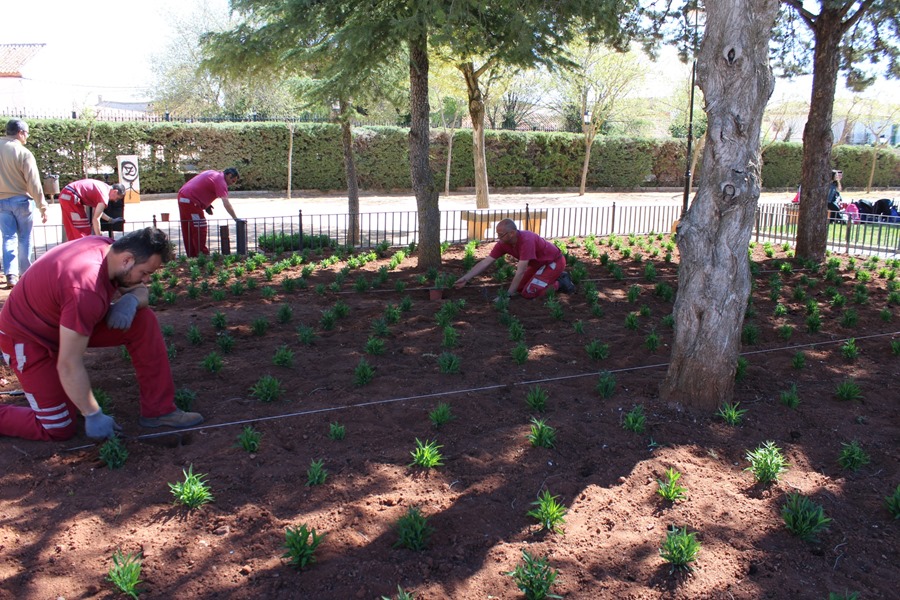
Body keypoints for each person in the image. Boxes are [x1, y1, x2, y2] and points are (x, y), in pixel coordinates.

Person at [0, 227, 203, 442]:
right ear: (127, 260)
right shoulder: (85, 289)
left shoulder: (109, 250)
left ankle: (160, 410)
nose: (144, 281)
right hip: (28, 337)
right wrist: (92, 413)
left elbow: (141, 293)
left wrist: (132, 300)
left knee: (143, 321)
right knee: (58, 427)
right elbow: (69, 363)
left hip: (62, 321)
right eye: (144, 273)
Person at [454, 218, 575, 299]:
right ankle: (548, 279)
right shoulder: (503, 243)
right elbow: (486, 262)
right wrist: (465, 278)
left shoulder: (526, 240)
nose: (498, 238)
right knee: (520, 288)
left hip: (553, 262)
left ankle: (561, 282)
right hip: (538, 265)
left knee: (529, 293)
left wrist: (507, 296)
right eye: (497, 234)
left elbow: (521, 271)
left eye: (501, 234)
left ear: (512, 233)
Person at [0, 119, 49, 289]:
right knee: (24, 237)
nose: (27, 137)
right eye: (26, 133)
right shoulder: (23, 152)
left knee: (8, 237)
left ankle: (10, 274)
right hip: (22, 200)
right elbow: (33, 182)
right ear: (20, 132)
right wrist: (43, 206)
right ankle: (25, 272)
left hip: (1, 201)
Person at [176, 167, 241, 257]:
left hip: (183, 197)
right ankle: (202, 255)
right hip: (191, 201)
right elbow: (226, 203)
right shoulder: (221, 182)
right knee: (200, 227)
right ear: (229, 175)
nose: (231, 184)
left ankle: (192, 256)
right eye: (233, 181)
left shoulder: (213, 173)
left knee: (188, 228)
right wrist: (236, 218)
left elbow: (202, 186)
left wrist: (206, 205)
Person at [58, 178, 126, 239]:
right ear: (115, 191)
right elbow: (96, 219)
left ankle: (74, 248)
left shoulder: (103, 187)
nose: (115, 201)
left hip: (65, 194)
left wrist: (110, 220)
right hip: (71, 196)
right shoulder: (104, 195)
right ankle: (84, 249)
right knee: (82, 228)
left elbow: (97, 212)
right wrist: (100, 238)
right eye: (117, 198)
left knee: (72, 228)